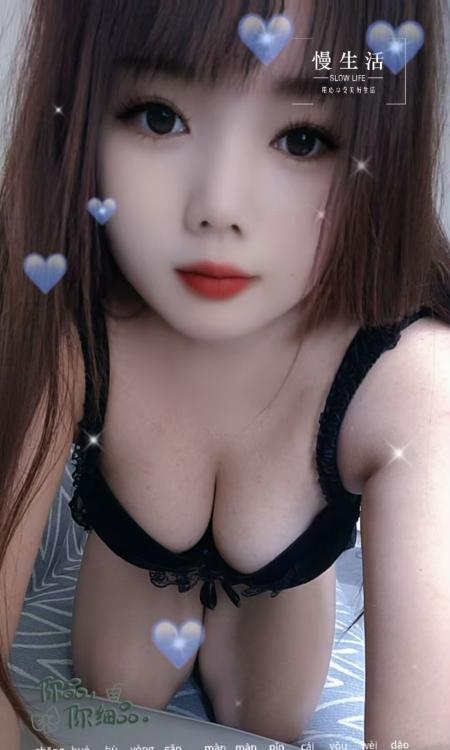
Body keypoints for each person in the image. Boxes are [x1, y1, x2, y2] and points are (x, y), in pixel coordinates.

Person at [0, 0, 449, 747]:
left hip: (282, 588)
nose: (219, 206)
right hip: (132, 565)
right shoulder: (63, 315)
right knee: (115, 685)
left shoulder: (411, 376)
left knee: (266, 717)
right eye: (158, 118)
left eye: (302, 138)